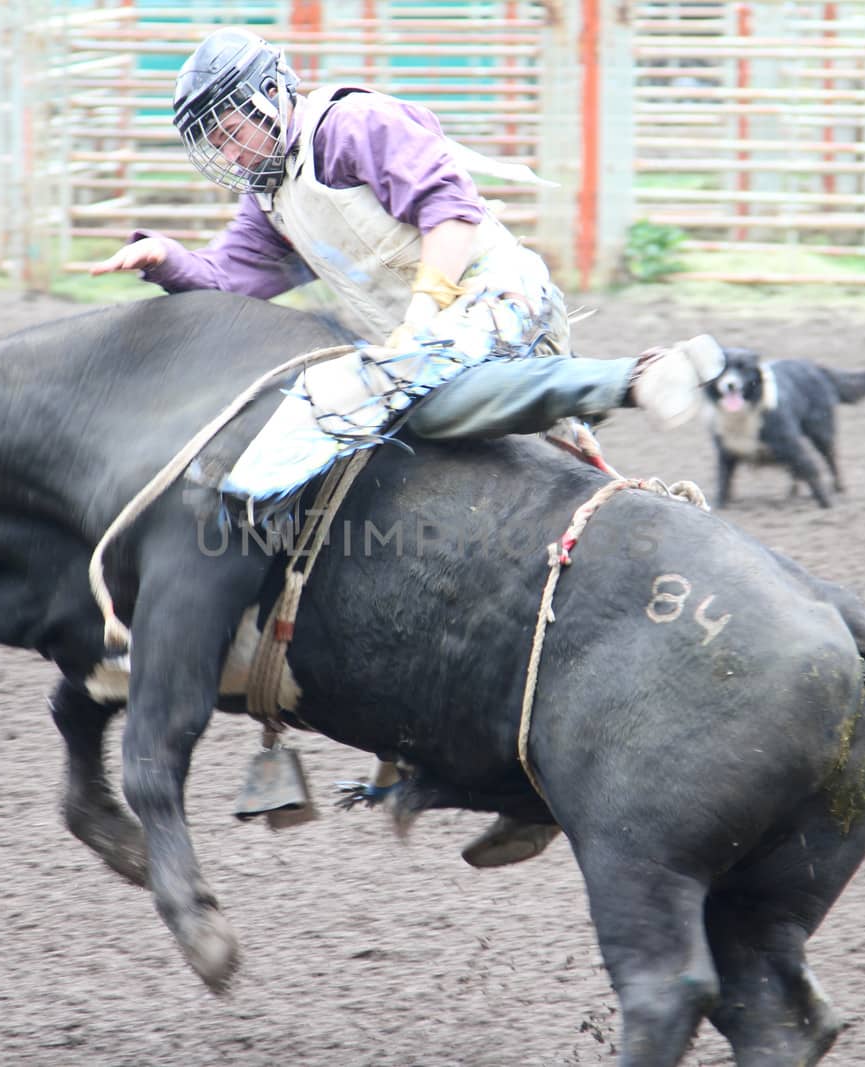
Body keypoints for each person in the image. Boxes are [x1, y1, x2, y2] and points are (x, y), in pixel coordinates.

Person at [94, 28, 725, 867]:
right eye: (208, 134)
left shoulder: (353, 125)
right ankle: (526, 788)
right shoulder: (273, 194)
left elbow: (451, 208)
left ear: (270, 94)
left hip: (495, 301)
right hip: (430, 345)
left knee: (371, 400)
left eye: (227, 122)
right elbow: (231, 281)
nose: (222, 143)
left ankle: (623, 378)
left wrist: (425, 312)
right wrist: (168, 258)